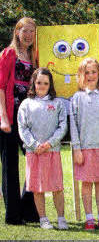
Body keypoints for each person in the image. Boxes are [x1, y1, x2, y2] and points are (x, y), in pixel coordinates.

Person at [17, 68, 68, 229]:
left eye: (45, 83)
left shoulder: (57, 103)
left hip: (52, 151)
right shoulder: (26, 104)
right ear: (33, 83)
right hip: (34, 152)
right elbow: (22, 128)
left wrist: (49, 143)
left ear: (50, 84)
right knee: (37, 188)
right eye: (39, 82)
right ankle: (43, 219)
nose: (42, 86)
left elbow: (62, 126)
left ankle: (61, 218)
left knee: (57, 186)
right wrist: (34, 145)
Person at [0, 17, 39, 225]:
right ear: (17, 32)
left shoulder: (34, 56)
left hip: (28, 115)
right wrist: (3, 118)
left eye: (32, 32)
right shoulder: (8, 54)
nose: (28, 35)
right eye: (25, 31)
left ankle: (27, 208)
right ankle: (13, 215)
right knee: (10, 165)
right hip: (9, 113)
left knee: (34, 158)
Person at [70, 58, 99, 230]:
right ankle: (89, 218)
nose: (90, 75)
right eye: (87, 72)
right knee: (86, 184)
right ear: (81, 75)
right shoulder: (77, 98)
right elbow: (73, 125)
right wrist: (76, 149)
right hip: (84, 149)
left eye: (93, 72)